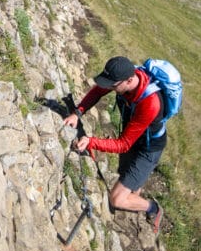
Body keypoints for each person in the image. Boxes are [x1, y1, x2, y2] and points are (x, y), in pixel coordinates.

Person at [63, 55, 165, 232]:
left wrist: (91, 142)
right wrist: (77, 113)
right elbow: (98, 91)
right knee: (127, 176)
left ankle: (153, 208)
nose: (108, 87)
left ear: (129, 80)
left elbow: (124, 144)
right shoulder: (123, 79)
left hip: (148, 149)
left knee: (116, 199)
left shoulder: (151, 103)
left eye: (112, 85)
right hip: (131, 135)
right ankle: (134, 195)